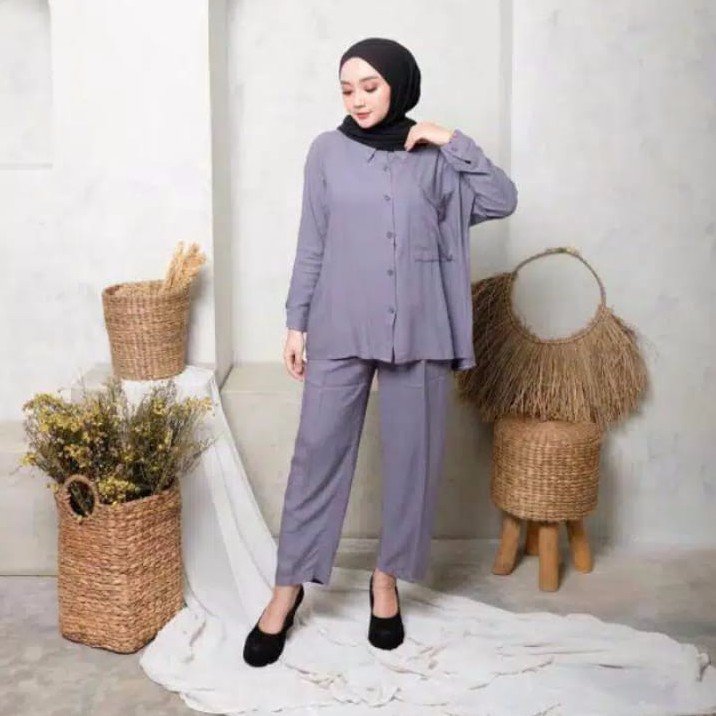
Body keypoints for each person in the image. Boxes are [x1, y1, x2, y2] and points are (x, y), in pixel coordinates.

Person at [243, 37, 517, 668]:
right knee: (317, 453)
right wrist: (296, 321)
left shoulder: (435, 158)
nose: (358, 100)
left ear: (398, 85)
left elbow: (502, 199)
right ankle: (287, 589)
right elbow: (312, 239)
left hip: (421, 326)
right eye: (347, 89)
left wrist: (451, 138)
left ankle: (386, 579)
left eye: (370, 86)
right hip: (340, 321)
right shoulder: (326, 152)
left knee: (413, 459)